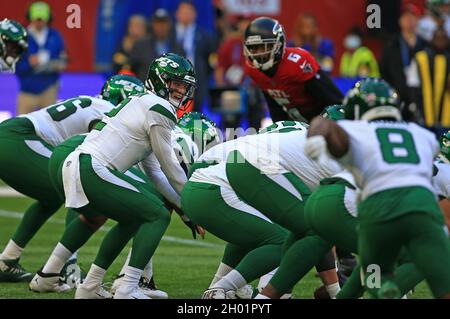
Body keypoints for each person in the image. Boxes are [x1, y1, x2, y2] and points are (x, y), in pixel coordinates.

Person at [29, 53, 200, 299]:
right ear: (159, 80)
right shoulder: (159, 108)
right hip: (92, 167)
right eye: (176, 83)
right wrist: (192, 202)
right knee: (157, 216)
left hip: (81, 164)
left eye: (185, 85)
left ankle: (89, 287)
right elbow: (170, 167)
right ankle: (128, 286)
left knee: (132, 219)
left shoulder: (142, 102)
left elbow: (155, 172)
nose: (181, 90)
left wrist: (183, 208)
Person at [304, 78, 450, 298]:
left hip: (378, 210)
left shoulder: (356, 130)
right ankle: (390, 285)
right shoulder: (423, 134)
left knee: (373, 272)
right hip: (421, 207)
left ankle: (381, 286)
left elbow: (323, 124)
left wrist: (315, 136)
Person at [0, 75, 144, 283]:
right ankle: (67, 266)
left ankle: (8, 259)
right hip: (19, 139)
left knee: (52, 198)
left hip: (13, 136)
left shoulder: (92, 102)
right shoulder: (104, 111)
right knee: (80, 186)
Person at [243, 17, 343, 123]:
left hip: (321, 116)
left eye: (264, 47)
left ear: (278, 44)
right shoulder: (252, 69)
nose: (259, 53)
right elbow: (274, 106)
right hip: (294, 120)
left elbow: (333, 100)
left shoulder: (296, 63)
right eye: (254, 48)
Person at [15, 1, 67, 115]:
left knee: (51, 127)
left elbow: (63, 58)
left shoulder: (55, 35)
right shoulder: (21, 37)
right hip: (27, 91)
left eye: (42, 19)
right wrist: (29, 63)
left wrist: (59, 65)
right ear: (30, 17)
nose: (39, 22)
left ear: (48, 18)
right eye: (36, 19)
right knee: (21, 127)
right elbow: (15, 66)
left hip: (49, 90)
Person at [128, 9, 184, 81]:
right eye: (158, 23)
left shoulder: (177, 47)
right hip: (147, 89)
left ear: (169, 25)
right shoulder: (141, 45)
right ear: (153, 25)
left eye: (164, 23)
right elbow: (132, 70)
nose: (161, 27)